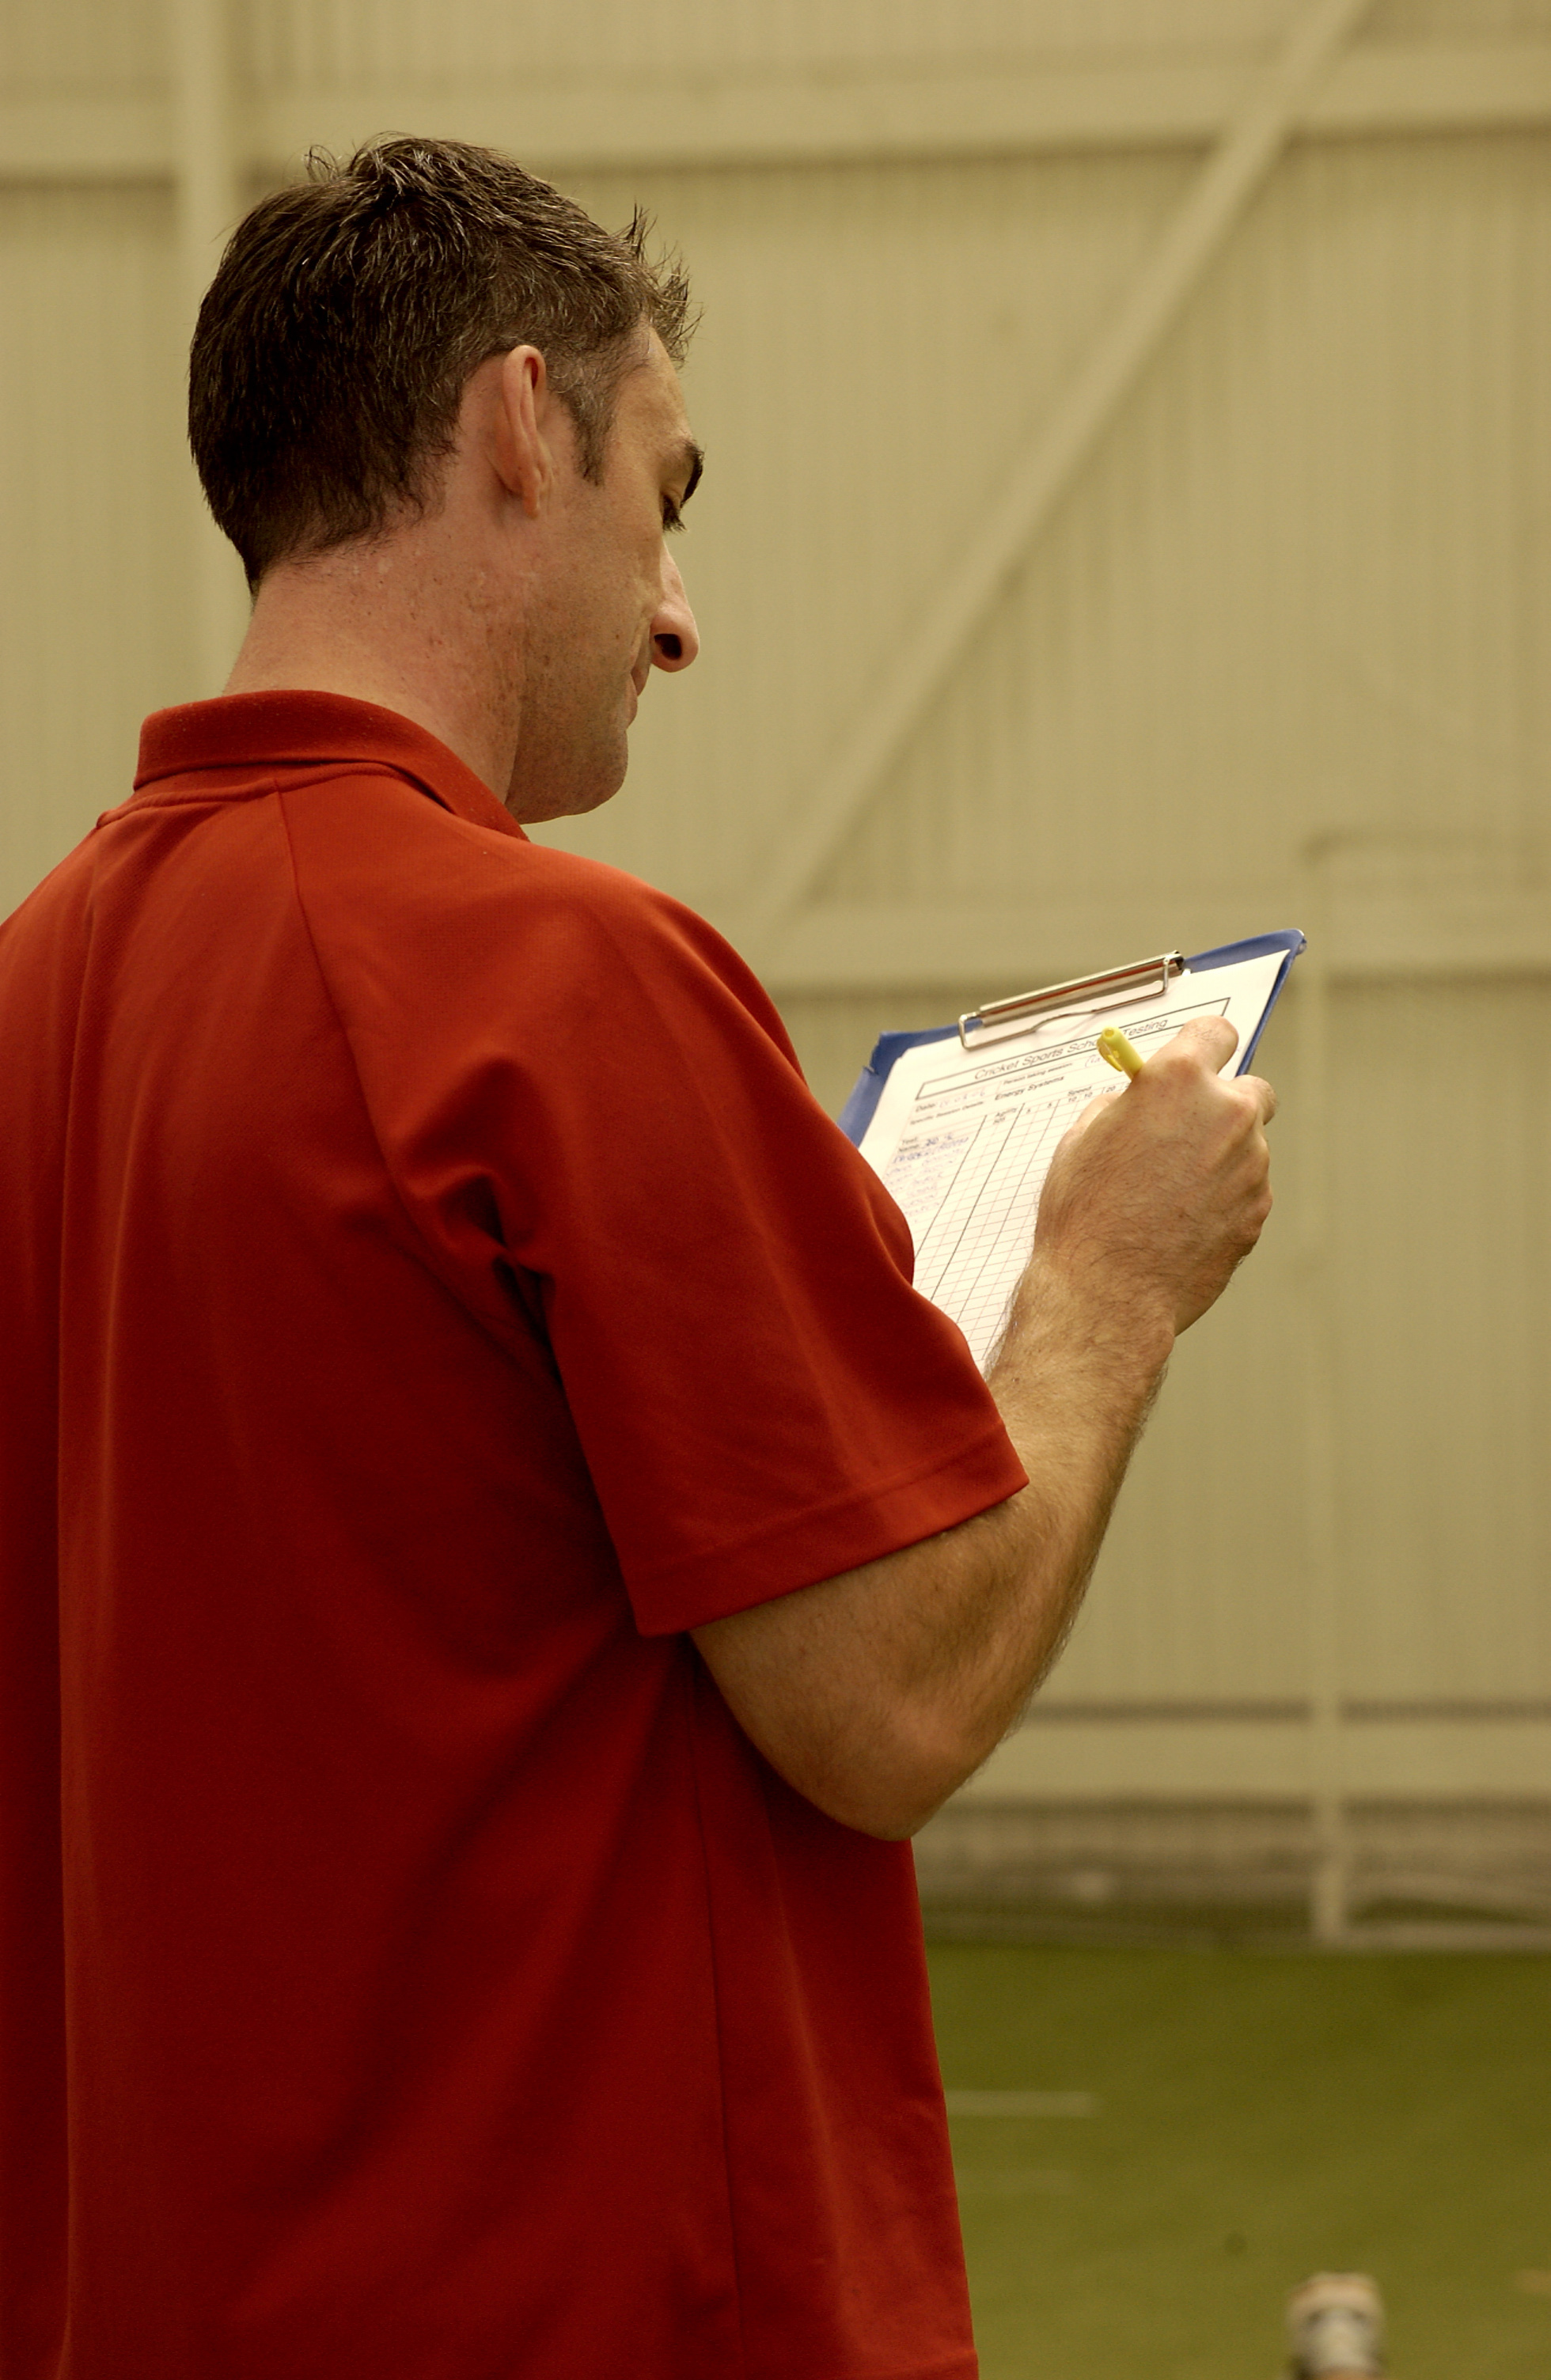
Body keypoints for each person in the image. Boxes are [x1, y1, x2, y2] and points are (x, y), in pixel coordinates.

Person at [0, 139, 1275, 2378]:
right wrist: (1105, 1289)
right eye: (667, 496)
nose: (674, 606)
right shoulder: (558, 985)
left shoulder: (33, 991)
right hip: (577, 2299)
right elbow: (889, 1700)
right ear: (519, 425)